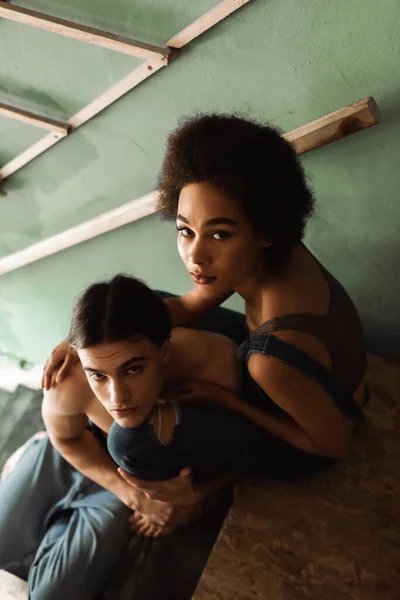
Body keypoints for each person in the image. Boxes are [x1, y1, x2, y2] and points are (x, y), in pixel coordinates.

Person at [43, 113, 367, 512]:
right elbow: (187, 305)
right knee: (142, 313)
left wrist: (227, 402)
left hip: (308, 434)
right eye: (185, 230)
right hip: (297, 375)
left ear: (264, 230)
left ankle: (191, 500)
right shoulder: (258, 255)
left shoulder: (270, 359)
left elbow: (335, 442)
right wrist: (84, 340)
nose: (195, 254)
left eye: (219, 234)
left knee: (129, 442)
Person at [0, 274, 254, 599]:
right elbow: (65, 439)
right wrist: (132, 497)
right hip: (75, 450)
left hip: (142, 474)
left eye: (133, 369)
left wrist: (198, 499)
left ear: (163, 351)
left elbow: (245, 453)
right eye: (99, 376)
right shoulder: (70, 376)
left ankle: (57, 527)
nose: (116, 396)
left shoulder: (213, 363)